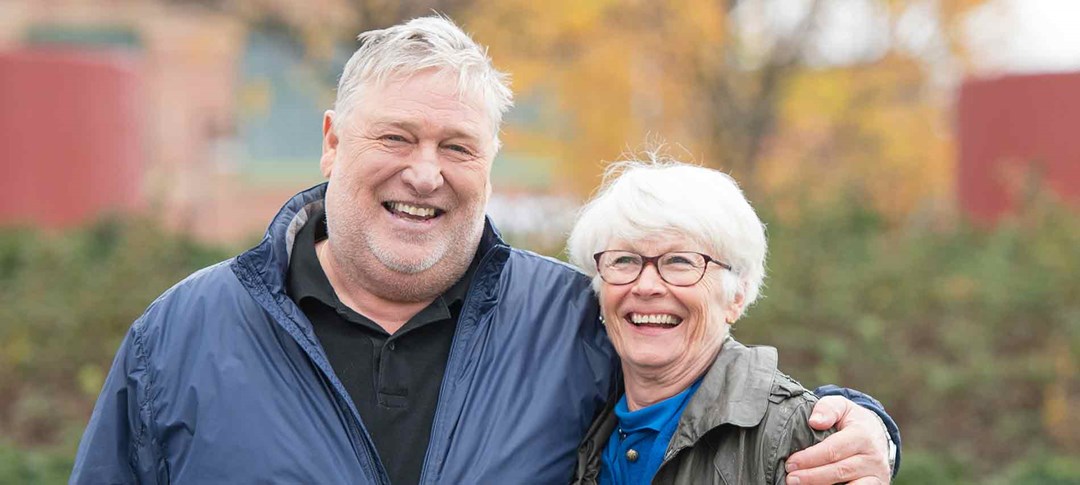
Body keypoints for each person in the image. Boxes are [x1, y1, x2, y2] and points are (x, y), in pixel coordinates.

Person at [70, 16, 898, 484]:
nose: (425, 173)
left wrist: (856, 425)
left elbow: (712, 389)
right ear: (330, 142)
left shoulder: (571, 320)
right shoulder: (182, 334)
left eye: (458, 147)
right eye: (395, 136)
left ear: (491, 164)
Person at [568, 158, 843, 484]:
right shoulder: (571, 422)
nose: (646, 286)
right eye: (625, 260)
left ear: (737, 295)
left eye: (680, 261)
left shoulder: (794, 440)